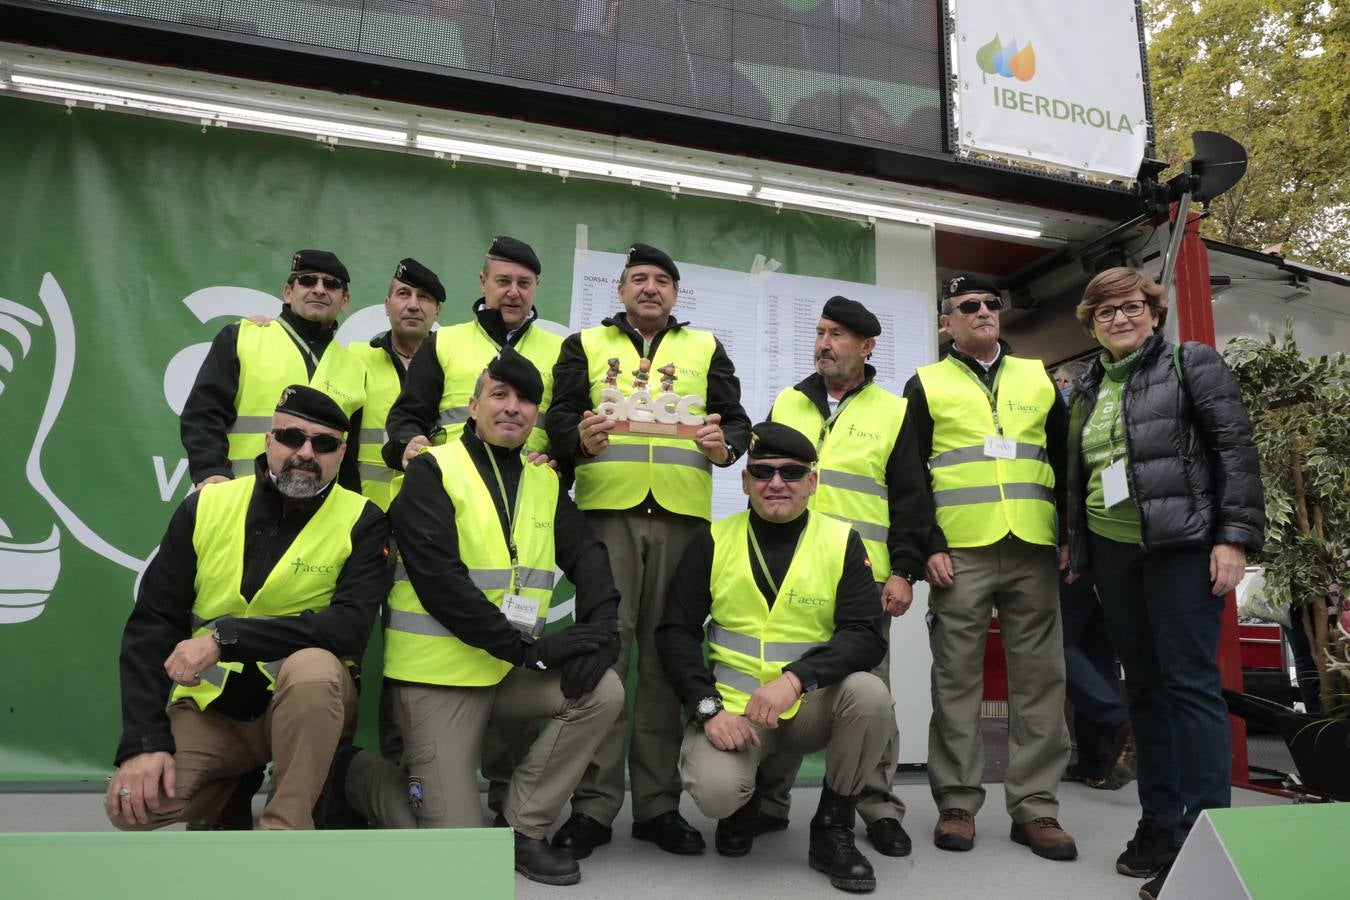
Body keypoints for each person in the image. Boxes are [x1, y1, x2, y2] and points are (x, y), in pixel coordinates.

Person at [343, 348, 625, 887]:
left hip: (508, 669)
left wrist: (604, 633)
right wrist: (533, 650)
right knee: (456, 854)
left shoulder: (544, 480)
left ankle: (523, 827)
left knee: (602, 691)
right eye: (500, 395)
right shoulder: (432, 471)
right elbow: (441, 583)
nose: (513, 408)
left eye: (525, 400)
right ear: (472, 406)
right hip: (440, 675)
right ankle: (355, 775)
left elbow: (588, 557)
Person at [544, 242, 752, 858]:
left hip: (684, 519)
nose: (651, 288)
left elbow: (736, 423)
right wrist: (578, 440)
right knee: (604, 654)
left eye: (662, 280)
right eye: (639, 278)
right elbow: (557, 419)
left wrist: (724, 447)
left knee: (665, 659)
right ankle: (594, 806)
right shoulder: (583, 345)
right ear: (621, 290)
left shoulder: (706, 347)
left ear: (676, 294)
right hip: (606, 514)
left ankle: (658, 806)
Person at [1063, 267, 1264, 900]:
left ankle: (1208, 841)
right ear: (1092, 324)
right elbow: (1083, 473)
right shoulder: (1089, 385)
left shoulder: (1190, 363)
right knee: (1143, 691)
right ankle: (1160, 825)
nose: (1119, 319)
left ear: (1153, 312)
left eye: (1130, 307)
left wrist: (1233, 539)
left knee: (1190, 689)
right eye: (1105, 312)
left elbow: (1234, 449)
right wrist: (1080, 545)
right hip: (1115, 557)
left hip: (1181, 550)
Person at [105, 385, 388, 831]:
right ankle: (231, 785)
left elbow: (348, 629)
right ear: (268, 440)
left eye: (324, 443)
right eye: (291, 437)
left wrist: (225, 639)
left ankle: (285, 831)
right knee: (133, 808)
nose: (306, 453)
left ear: (341, 453)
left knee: (315, 668)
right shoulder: (206, 506)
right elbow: (152, 626)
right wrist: (143, 745)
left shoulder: (364, 519)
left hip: (302, 706)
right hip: (214, 711)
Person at [657, 422, 892, 893]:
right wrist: (707, 710)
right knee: (717, 792)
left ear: (813, 482)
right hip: (738, 714)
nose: (776, 483)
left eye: (791, 472)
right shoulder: (714, 539)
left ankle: (832, 829)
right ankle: (747, 804)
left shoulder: (842, 541)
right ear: (745, 482)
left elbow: (866, 635)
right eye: (762, 472)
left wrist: (796, 678)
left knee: (870, 694)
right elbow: (675, 633)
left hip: (808, 706)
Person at [905, 273, 1076, 861]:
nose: (982, 311)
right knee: (956, 679)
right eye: (967, 306)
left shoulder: (1038, 375)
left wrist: (1068, 533)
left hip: (1033, 545)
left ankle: (1037, 809)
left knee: (1042, 678)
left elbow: (1065, 459)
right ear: (945, 323)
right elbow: (909, 475)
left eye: (990, 304)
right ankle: (956, 802)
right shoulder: (924, 384)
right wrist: (927, 544)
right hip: (961, 551)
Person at [755, 296, 930, 857]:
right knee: (787, 685)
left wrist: (903, 570)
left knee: (870, 696)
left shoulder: (894, 411)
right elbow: (769, 482)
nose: (825, 343)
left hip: (864, 582)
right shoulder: (789, 400)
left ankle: (876, 806)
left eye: (838, 336)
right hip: (791, 575)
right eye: (821, 332)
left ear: (867, 347)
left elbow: (909, 499)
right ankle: (769, 802)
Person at [181, 249, 366, 493]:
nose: (320, 289)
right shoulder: (242, 337)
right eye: (308, 280)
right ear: (288, 292)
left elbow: (348, 454)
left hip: (319, 511)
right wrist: (211, 470)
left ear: (344, 301)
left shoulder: (354, 366)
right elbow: (204, 412)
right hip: (240, 497)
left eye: (331, 284)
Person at [382, 235, 563, 468]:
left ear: (536, 285)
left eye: (524, 283)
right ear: (483, 281)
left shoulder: (561, 350)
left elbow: (567, 427)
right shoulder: (442, 343)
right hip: (451, 490)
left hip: (528, 492)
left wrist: (557, 459)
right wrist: (408, 441)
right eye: (503, 281)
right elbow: (407, 416)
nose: (514, 292)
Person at [1051, 361, 1133, 792]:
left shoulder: (1069, 419)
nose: (1061, 389)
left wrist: (1066, 544)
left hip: (1074, 551)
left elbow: (1064, 486)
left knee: (1059, 645)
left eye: (1064, 383)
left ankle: (1113, 716)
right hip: (1108, 548)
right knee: (1098, 652)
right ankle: (1100, 760)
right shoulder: (1114, 419)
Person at [346, 257, 445, 511]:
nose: (413, 305)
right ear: (387, 306)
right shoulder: (354, 359)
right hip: (367, 516)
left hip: (438, 515)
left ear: (438, 311)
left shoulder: (455, 362)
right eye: (404, 294)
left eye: (423, 297)